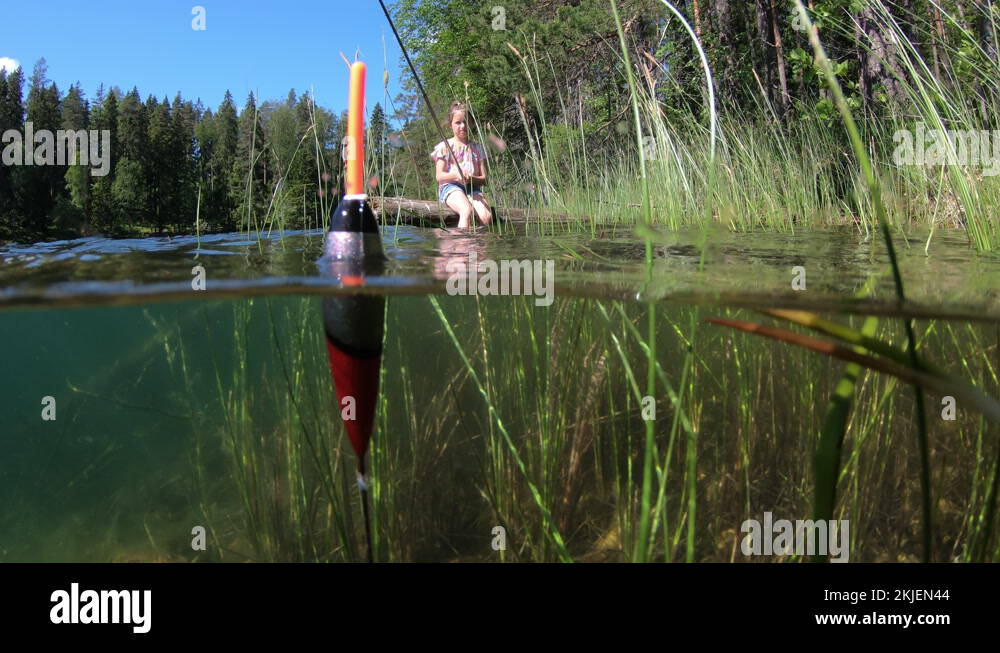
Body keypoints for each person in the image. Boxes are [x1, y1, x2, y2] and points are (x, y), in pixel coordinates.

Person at [430, 101, 492, 228]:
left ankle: (480, 246)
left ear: (471, 124)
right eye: (458, 122)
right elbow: (439, 176)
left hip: (472, 188)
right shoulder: (445, 146)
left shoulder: (478, 148)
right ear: (450, 125)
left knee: (486, 216)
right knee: (466, 211)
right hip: (450, 187)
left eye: (466, 122)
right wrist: (455, 174)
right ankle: (462, 245)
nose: (462, 126)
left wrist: (471, 179)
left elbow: (484, 179)